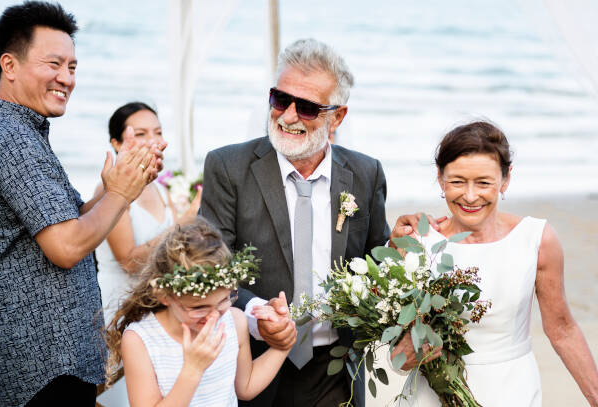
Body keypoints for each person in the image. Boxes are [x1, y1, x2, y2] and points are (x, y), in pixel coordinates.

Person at [200, 38, 393, 407]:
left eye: (306, 108)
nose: (287, 116)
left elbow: (375, 264)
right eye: (279, 99)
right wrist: (259, 315)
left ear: (337, 116)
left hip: (336, 368)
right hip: (251, 362)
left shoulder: (366, 174)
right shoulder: (228, 168)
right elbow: (212, 271)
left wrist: (398, 254)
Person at [0, 3, 164, 406]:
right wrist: (122, 195)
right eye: (53, 64)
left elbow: (70, 220)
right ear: (9, 65)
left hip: (54, 361)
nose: (66, 78)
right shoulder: (11, 136)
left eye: (72, 67)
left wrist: (114, 190)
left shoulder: (26, 131)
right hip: (40, 366)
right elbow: (67, 246)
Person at [391, 121, 598, 406]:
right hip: (431, 394)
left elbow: (562, 329)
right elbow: (398, 356)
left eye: (484, 182)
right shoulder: (416, 241)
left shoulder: (537, 239)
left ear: (505, 179)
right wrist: (405, 354)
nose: (471, 195)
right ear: (441, 179)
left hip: (511, 389)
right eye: (457, 181)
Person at [104, 218, 292, 406]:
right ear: (164, 295)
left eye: (223, 300)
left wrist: (283, 345)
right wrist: (192, 370)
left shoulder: (234, 321)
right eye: (198, 307)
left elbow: (246, 388)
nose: (214, 316)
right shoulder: (141, 339)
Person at [95, 102, 201, 406]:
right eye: (140, 133)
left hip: (154, 306)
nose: (152, 140)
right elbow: (129, 259)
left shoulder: (158, 188)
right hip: (118, 306)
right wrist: (184, 221)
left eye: (157, 132)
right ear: (116, 143)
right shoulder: (110, 191)